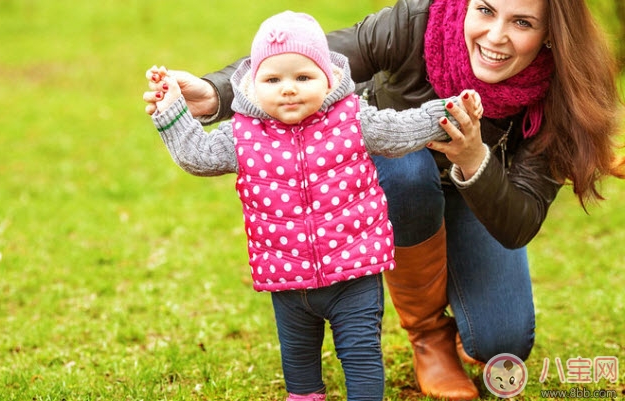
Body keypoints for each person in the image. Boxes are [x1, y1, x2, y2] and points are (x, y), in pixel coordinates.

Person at [144, 0, 625, 399]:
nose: (496, 35)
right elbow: (312, 58)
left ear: (549, 35)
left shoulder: (565, 91)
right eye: (485, 9)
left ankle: (463, 320)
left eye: (521, 22)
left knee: (504, 341)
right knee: (406, 169)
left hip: (477, 190)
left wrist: (475, 157)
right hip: (393, 174)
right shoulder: (420, 20)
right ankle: (428, 335)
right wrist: (214, 92)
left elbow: (519, 222)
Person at [142, 10, 483, 401]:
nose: (288, 89)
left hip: (354, 274)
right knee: (299, 363)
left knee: (361, 356)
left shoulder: (353, 119)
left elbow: (400, 129)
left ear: (329, 79)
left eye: (303, 77)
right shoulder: (243, 135)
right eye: (273, 79)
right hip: (287, 280)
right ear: (253, 86)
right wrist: (171, 108)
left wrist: (450, 111)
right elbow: (197, 155)